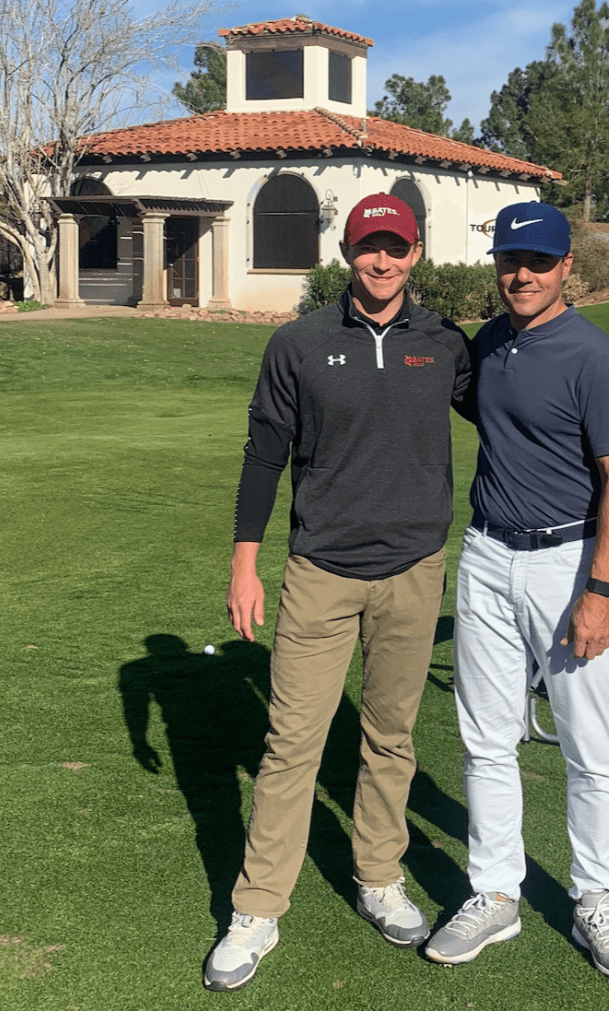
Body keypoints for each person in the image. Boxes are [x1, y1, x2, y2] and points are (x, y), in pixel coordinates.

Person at [203, 193, 472, 991]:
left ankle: (378, 875)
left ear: (416, 251)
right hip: (320, 571)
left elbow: (513, 412)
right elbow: (263, 454)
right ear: (347, 251)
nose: (381, 261)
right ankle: (256, 908)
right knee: (293, 743)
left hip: (414, 569)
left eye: (394, 247)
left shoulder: (446, 343)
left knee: (391, 738)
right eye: (367, 247)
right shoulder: (299, 343)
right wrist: (244, 563)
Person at [425, 201, 609, 981]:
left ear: (566, 268)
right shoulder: (489, 342)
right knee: (487, 737)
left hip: (566, 563)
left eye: (539, 262)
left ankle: (595, 899)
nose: (522, 275)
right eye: (511, 261)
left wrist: (600, 590)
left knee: (588, 743)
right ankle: (495, 893)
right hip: (485, 554)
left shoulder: (594, 356)